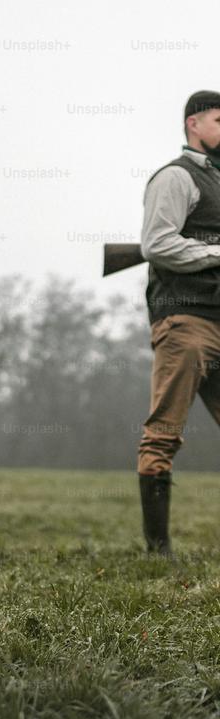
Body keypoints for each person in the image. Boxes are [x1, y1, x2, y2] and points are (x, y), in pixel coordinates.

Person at [138, 90, 220, 555]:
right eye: (219, 119)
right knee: (164, 432)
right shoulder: (175, 176)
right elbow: (157, 244)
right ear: (194, 123)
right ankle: (158, 550)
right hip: (186, 320)